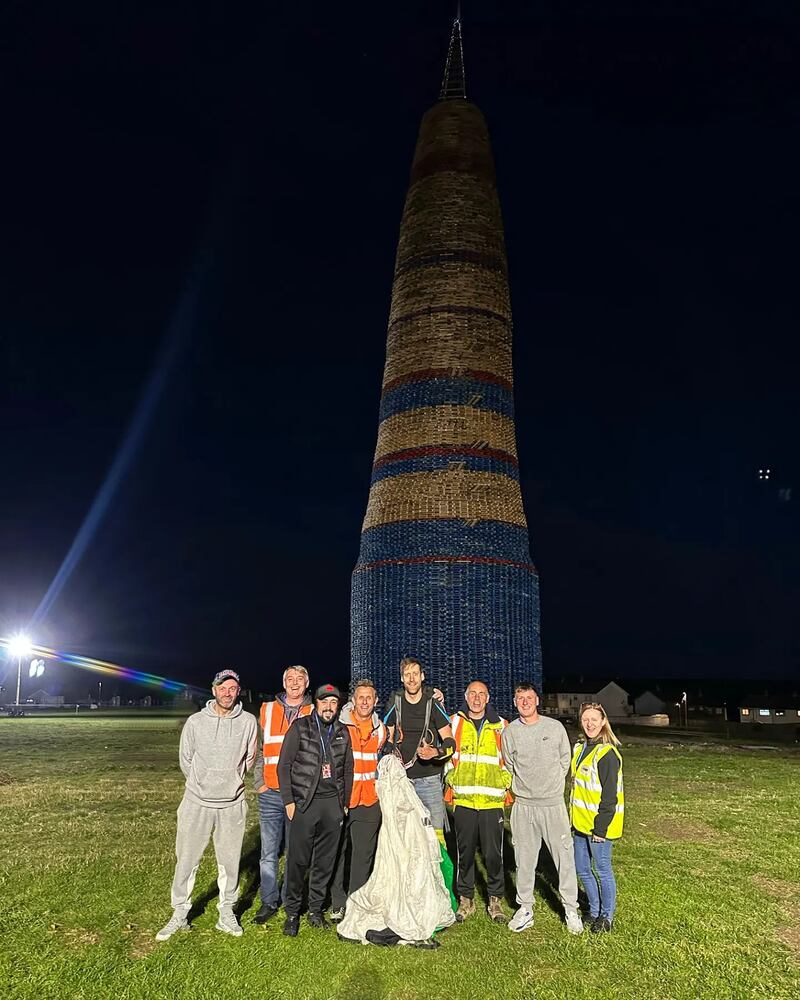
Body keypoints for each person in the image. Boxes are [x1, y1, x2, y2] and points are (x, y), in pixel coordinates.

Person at [156, 669, 257, 941]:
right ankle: (179, 913)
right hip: (196, 803)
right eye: (223, 688)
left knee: (230, 862)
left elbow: (249, 759)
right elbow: (185, 759)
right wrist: (203, 783)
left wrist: (231, 781)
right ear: (214, 690)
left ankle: (226, 912)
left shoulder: (248, 722)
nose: (228, 692)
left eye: (233, 688)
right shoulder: (195, 722)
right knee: (187, 859)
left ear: (239, 692)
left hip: (232, 805)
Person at [501, 682, 583, 935]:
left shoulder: (554, 728)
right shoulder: (510, 732)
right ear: (515, 703)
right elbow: (510, 764)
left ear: (537, 700)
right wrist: (527, 787)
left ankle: (571, 908)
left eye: (529, 697)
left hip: (552, 805)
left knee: (564, 858)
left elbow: (564, 760)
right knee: (524, 860)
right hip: (524, 806)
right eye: (520, 698)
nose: (525, 702)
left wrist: (550, 785)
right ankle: (526, 908)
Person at [277, 683, 354, 936]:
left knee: (324, 861)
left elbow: (348, 770)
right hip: (304, 804)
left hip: (332, 805)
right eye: (324, 702)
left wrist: (343, 804)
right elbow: (284, 765)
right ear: (316, 704)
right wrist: (289, 802)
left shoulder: (342, 732)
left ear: (338, 706)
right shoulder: (300, 727)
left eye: (333, 703)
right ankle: (292, 912)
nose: (329, 707)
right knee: (298, 861)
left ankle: (315, 910)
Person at [444, 680, 512, 924]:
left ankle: (495, 899)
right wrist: (449, 777)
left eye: (481, 694)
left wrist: (505, 781)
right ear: (466, 696)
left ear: (488, 698)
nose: (476, 698)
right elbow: (446, 754)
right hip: (464, 800)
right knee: (465, 853)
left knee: (494, 854)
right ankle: (466, 899)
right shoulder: (454, 722)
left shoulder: (502, 726)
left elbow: (510, 760)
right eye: (472, 693)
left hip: (492, 801)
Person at [253, 665, 313, 924]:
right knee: (268, 851)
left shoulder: (314, 711)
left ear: (307, 683)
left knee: (294, 851)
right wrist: (259, 782)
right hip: (270, 793)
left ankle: (291, 901)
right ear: (284, 683)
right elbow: (258, 749)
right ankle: (268, 901)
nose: (295, 683)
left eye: (300, 679)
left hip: (299, 795)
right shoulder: (267, 710)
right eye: (290, 679)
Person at [329, 678, 387, 922]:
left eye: (369, 698)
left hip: (370, 800)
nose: (364, 701)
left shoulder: (381, 730)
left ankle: (356, 902)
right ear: (353, 700)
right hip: (342, 799)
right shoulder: (339, 726)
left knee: (363, 855)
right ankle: (337, 902)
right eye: (360, 697)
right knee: (337, 853)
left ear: (375, 702)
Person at [383, 657, 455, 846]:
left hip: (429, 782)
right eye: (407, 675)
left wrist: (435, 752)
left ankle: (439, 875)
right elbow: (386, 738)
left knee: (435, 837)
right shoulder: (395, 701)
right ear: (402, 679)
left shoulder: (432, 701)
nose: (412, 679)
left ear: (422, 676)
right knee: (405, 837)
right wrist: (392, 749)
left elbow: (450, 742)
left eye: (415, 674)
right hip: (402, 781)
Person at [570, 701, 624, 933]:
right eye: (585, 719)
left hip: (599, 826)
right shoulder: (580, 748)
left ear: (603, 722)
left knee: (602, 870)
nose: (590, 724)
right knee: (582, 869)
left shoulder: (607, 754)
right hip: (579, 824)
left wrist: (600, 829)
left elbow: (609, 798)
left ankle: (607, 916)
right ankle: (593, 911)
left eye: (594, 719)